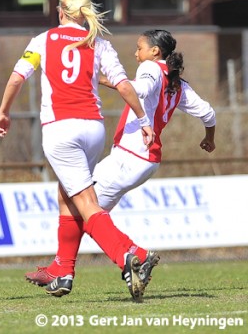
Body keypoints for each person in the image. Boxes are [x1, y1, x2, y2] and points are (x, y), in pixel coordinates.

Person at [0, 0, 155, 301]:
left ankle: (131, 254)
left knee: (85, 203)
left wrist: (3, 113)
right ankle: (63, 270)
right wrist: (144, 119)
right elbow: (123, 86)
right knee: (67, 196)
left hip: (60, 129)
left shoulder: (43, 40)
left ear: (60, 10)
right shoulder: (100, 43)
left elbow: (16, 78)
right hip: (93, 129)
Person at [25, 29, 216, 291]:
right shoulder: (178, 84)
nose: (136, 53)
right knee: (85, 211)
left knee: (82, 208)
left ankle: (130, 256)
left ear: (155, 52)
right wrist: (210, 138)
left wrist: (102, 80)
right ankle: (62, 269)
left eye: (139, 48)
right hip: (146, 160)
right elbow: (208, 112)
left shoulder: (150, 68)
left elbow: (139, 88)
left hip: (131, 156)